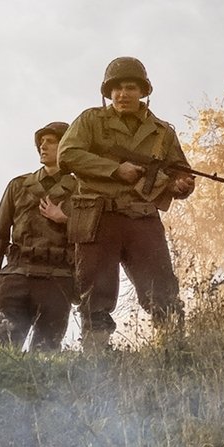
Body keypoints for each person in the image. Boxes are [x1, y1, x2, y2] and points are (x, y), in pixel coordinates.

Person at [57, 56, 196, 347]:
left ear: (143, 91)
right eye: (117, 88)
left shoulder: (162, 132)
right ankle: (96, 357)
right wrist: (114, 169)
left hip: (142, 218)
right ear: (108, 92)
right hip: (99, 218)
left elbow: (180, 171)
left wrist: (181, 186)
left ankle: (173, 353)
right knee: (96, 296)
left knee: (162, 293)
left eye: (130, 87)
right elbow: (67, 154)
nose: (122, 94)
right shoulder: (91, 120)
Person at [0, 122, 78, 351]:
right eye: (41, 142)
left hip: (58, 277)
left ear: (66, 146)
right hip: (17, 275)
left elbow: (92, 235)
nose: (43, 146)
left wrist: (65, 219)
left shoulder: (80, 189)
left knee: (46, 353)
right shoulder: (19, 186)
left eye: (51, 142)